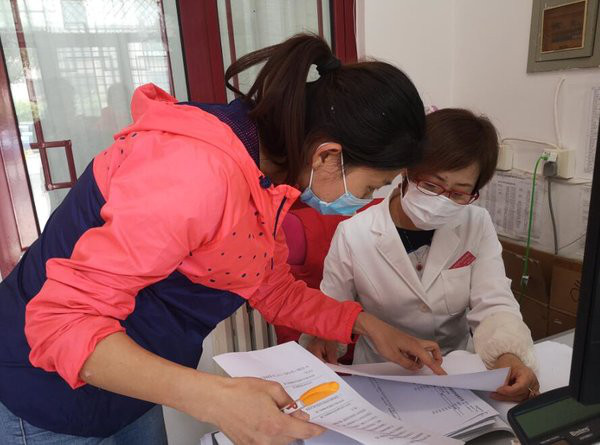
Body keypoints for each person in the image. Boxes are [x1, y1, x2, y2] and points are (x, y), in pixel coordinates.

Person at [0, 34, 443, 445]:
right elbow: (63, 322)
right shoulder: (195, 171)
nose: (363, 201)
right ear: (328, 155)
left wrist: (368, 326)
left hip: (128, 381)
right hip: (43, 389)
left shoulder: (265, 178)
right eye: (370, 187)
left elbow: (269, 286)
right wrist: (217, 399)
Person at [305, 108, 541, 403]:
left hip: (455, 373)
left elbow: (493, 302)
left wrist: (509, 356)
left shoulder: (476, 223)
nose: (442, 200)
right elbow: (332, 310)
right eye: (431, 185)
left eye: (458, 193)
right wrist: (325, 340)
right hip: (382, 376)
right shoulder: (354, 233)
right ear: (406, 171)